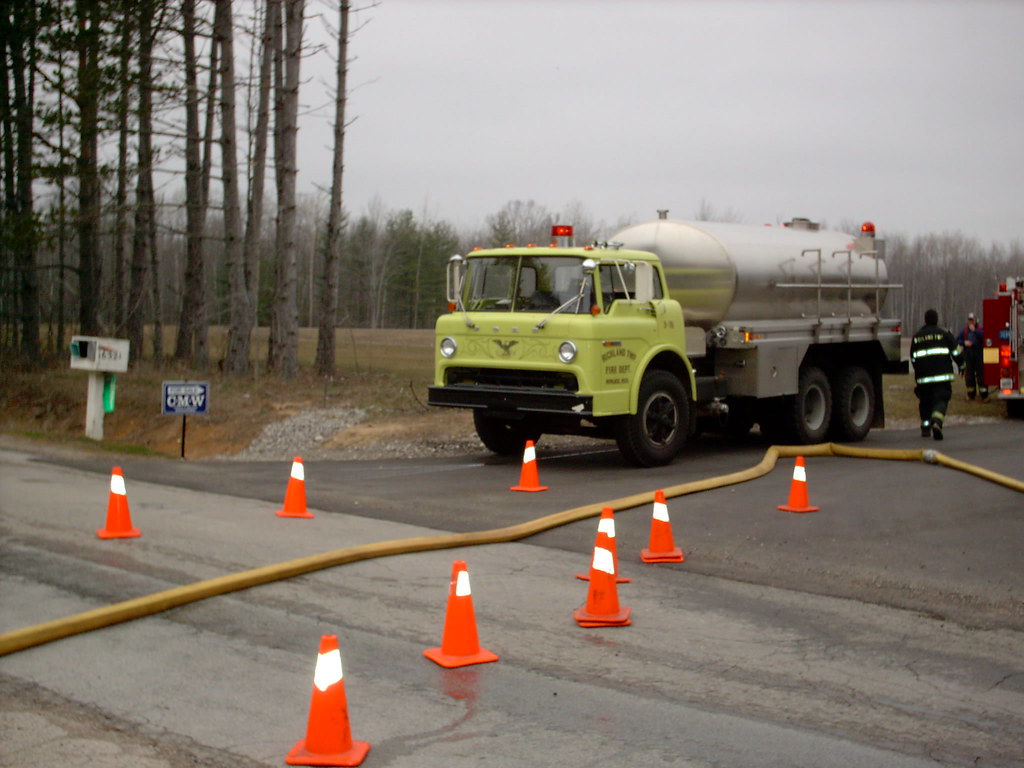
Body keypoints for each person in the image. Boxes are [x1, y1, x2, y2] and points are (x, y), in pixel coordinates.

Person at [911, 309, 962, 440]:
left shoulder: (917, 337)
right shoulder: (944, 333)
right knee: (941, 399)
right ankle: (937, 422)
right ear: (936, 320)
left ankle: (925, 427)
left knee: (925, 402)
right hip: (942, 376)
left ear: (925, 320)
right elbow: (956, 352)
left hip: (923, 378)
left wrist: (919, 372)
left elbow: (913, 357)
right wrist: (962, 365)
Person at [956, 312, 988, 400]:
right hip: (968, 354)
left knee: (981, 375)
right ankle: (971, 394)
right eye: (969, 320)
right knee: (969, 375)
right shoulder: (965, 330)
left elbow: (984, 337)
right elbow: (957, 340)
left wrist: (975, 331)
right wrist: (964, 343)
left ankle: (984, 395)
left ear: (976, 320)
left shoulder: (980, 329)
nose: (970, 322)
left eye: (972, 320)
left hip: (979, 353)